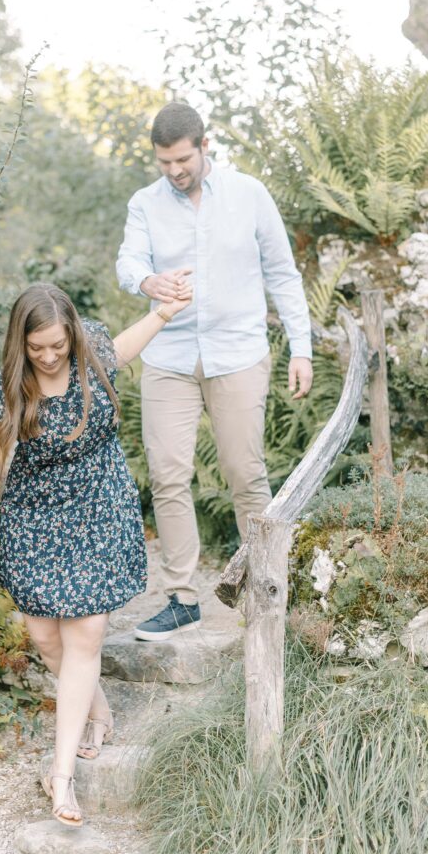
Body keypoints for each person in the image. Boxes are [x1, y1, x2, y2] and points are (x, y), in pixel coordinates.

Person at [0, 281, 191, 826]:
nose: (51, 355)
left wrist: (163, 314)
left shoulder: (92, 352)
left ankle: (61, 781)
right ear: (22, 344)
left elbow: (128, 343)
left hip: (99, 505)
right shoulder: (8, 390)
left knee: (84, 635)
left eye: (58, 344)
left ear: (72, 332)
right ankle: (97, 710)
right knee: (44, 637)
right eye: (39, 348)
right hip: (34, 514)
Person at [116, 102, 313, 642]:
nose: (174, 171)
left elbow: (282, 272)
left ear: (205, 147)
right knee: (168, 473)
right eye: (164, 163)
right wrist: (148, 283)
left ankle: (262, 589)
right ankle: (181, 598)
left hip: (238, 354)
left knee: (244, 474)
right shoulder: (144, 204)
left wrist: (302, 347)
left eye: (182, 159)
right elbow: (127, 262)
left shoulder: (249, 194)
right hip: (169, 359)